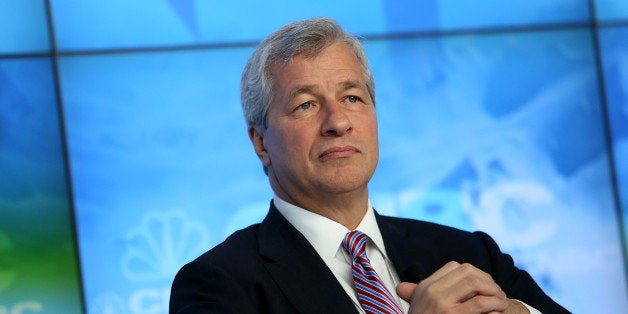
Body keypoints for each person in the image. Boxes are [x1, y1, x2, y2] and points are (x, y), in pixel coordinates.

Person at [170, 17, 568, 314]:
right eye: (306, 105)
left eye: (352, 98)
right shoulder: (217, 285)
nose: (337, 122)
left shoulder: (469, 253)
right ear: (260, 142)